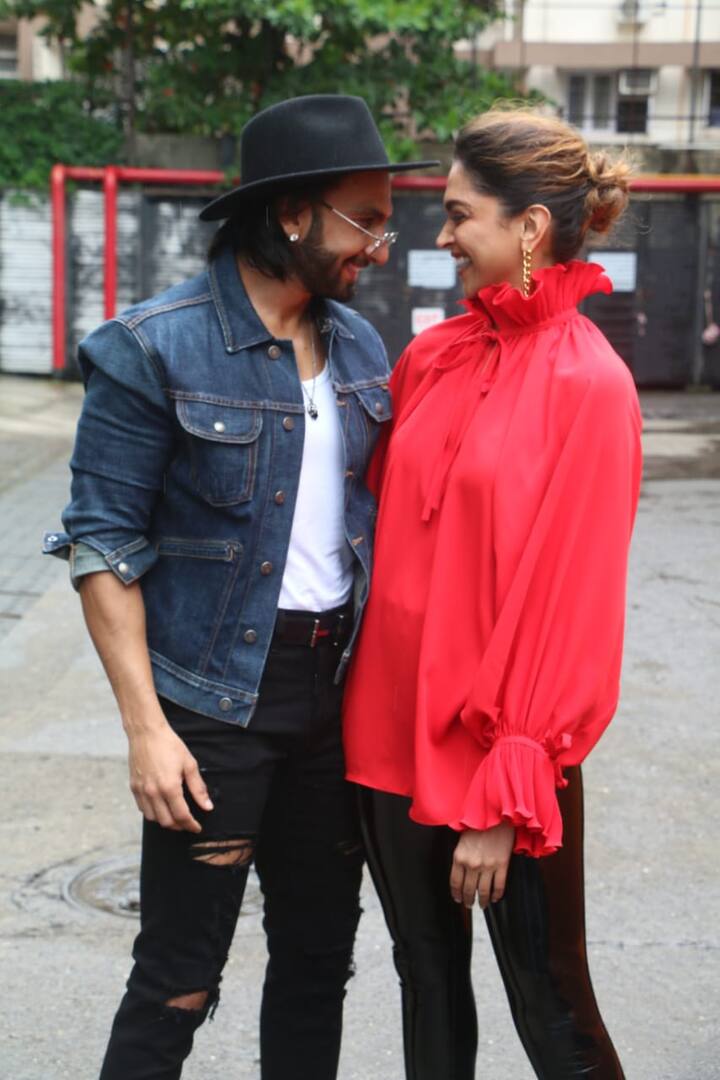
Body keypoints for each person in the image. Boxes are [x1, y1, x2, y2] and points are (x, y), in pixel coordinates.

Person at [43, 94, 436, 1080]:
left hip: (335, 700)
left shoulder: (359, 347)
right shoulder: (152, 346)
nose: (380, 247)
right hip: (214, 708)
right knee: (177, 980)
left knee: (317, 964)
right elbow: (101, 542)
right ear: (293, 214)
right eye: (365, 220)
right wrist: (146, 729)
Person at [342, 107, 642, 1079]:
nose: (441, 236)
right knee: (426, 981)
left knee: (551, 1005)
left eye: (459, 214)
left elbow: (573, 603)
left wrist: (504, 797)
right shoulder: (433, 356)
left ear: (530, 228)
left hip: (505, 757)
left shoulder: (590, 385)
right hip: (386, 733)